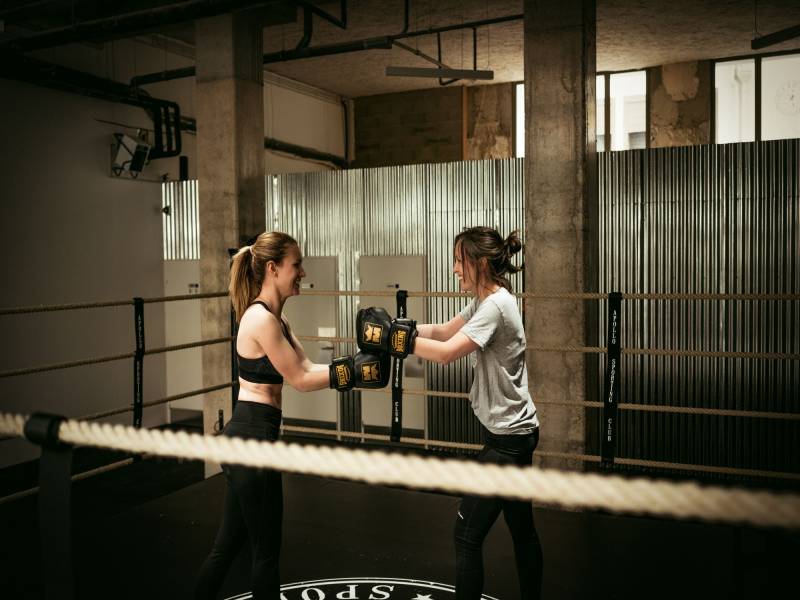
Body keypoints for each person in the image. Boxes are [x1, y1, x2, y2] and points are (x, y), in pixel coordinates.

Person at [195, 231, 389, 600]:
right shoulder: (261, 320)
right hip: (252, 440)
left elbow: (307, 366)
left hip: (252, 437)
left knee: (227, 548)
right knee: (265, 553)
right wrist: (353, 372)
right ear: (273, 268)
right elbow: (299, 380)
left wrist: (353, 368)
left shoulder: (278, 321)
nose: (302, 272)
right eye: (296, 264)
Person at [355, 226, 542, 600]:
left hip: (506, 442)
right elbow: (442, 331)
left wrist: (397, 342)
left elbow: (445, 353)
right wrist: (397, 328)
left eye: (459, 261)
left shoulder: (495, 307)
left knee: (467, 535)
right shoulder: (487, 299)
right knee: (521, 529)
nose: (455, 269)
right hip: (512, 434)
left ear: (480, 263)